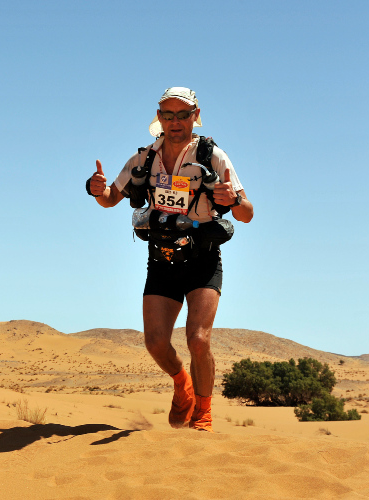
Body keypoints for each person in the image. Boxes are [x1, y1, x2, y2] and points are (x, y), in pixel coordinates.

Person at [86, 87, 254, 431]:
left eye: (182, 114)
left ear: (195, 116)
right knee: (156, 343)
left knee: (198, 338)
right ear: (158, 118)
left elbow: (247, 214)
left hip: (202, 259)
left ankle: (203, 415)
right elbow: (109, 199)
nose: (175, 122)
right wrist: (95, 187)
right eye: (168, 114)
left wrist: (232, 198)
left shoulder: (213, 157)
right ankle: (183, 386)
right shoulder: (143, 159)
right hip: (161, 259)